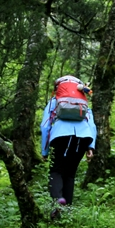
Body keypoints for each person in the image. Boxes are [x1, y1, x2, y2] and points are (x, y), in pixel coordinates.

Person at [40, 75, 97, 217]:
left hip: (61, 136)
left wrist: (44, 151)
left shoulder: (56, 100)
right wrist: (90, 147)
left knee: (56, 171)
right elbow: (92, 125)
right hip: (83, 138)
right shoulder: (83, 102)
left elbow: (45, 126)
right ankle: (67, 212)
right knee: (70, 174)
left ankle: (58, 204)